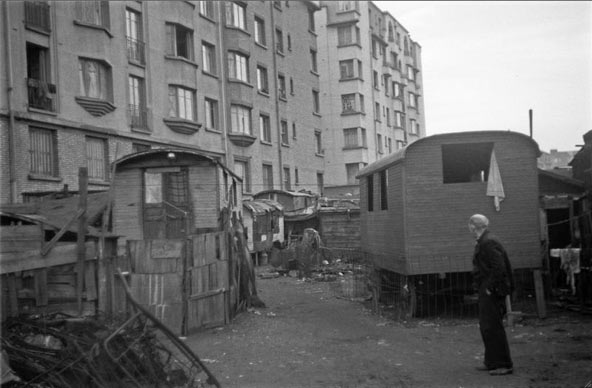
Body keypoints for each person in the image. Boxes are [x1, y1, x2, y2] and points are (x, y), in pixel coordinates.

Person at [468, 214, 514, 376]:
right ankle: (492, 361)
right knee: (487, 325)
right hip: (488, 288)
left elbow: (499, 268)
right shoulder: (486, 240)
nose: (469, 228)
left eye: (470, 225)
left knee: (493, 326)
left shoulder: (488, 242)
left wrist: (489, 288)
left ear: (474, 226)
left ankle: (503, 364)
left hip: (492, 290)